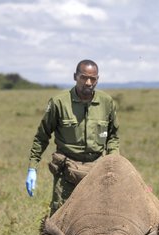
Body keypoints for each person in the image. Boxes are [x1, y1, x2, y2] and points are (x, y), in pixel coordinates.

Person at [25, 59, 119, 215]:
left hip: (97, 170)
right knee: (60, 218)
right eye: (84, 77)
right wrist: (32, 168)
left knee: (98, 217)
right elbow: (42, 136)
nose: (88, 82)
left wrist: (114, 164)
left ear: (98, 79)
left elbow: (113, 137)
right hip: (66, 171)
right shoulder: (59, 103)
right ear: (75, 76)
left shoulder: (106, 102)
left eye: (93, 79)